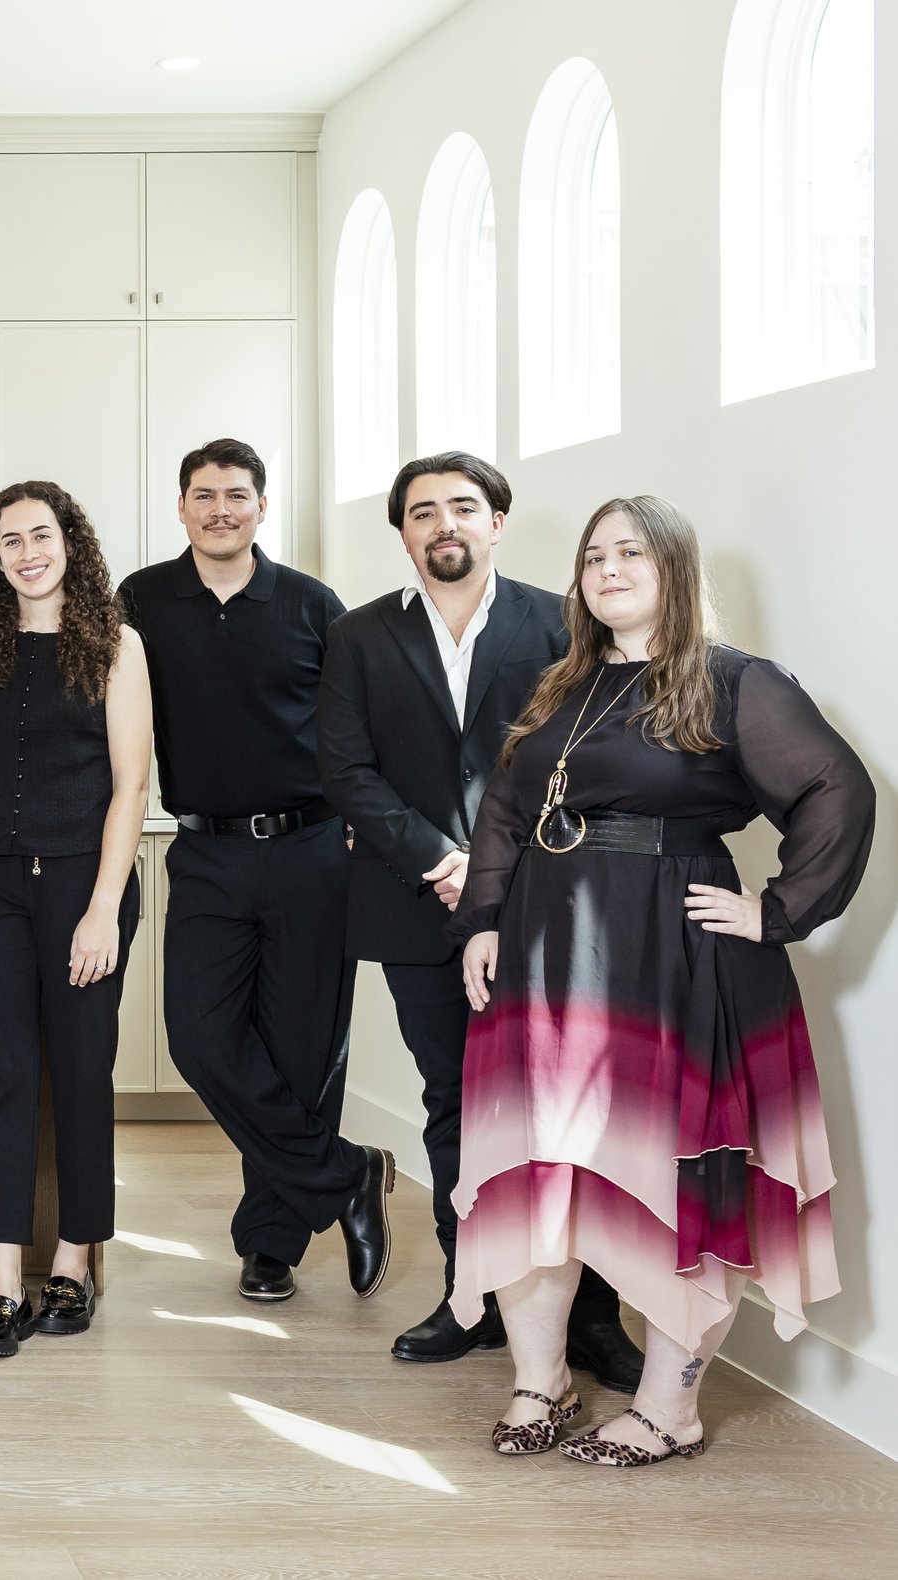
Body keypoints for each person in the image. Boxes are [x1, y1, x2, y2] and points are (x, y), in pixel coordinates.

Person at [450, 496, 870, 1465]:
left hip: (669, 959)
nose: (606, 567)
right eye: (593, 554)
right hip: (547, 962)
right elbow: (506, 814)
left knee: (676, 1176)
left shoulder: (734, 680)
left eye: (629, 550)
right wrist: (480, 921)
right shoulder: (562, 685)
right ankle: (538, 1382)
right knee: (534, 1165)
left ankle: (667, 1408)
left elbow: (836, 786)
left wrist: (777, 908)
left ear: (673, 568)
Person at [318, 452, 643, 1387]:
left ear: (498, 520)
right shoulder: (360, 636)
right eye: (423, 512)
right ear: (405, 532)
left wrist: (498, 866)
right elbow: (346, 770)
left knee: (566, 1108)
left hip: (548, 903)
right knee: (454, 1102)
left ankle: (590, 1316)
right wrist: (440, 859)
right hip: (414, 906)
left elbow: (593, 755)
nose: (443, 524)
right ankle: (473, 1297)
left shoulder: (560, 622)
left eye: (463, 507)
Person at [118, 437, 395, 1304]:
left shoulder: (315, 605)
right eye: (204, 495)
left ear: (261, 507)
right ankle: (346, 1175)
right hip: (203, 851)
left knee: (300, 1051)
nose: (221, 509)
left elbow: (359, 726)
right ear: (181, 507)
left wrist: (365, 825)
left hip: (315, 851)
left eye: (237, 495)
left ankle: (270, 1241)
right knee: (201, 1036)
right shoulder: (142, 601)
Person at [0, 482, 150, 1358]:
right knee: (3, 1080)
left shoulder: (115, 644)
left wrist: (101, 908)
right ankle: (2, 1285)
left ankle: (73, 1263)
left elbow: (132, 784)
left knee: (82, 1075)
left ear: (71, 545)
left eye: (41, 535)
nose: (27, 552)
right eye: (10, 540)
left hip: (81, 887)